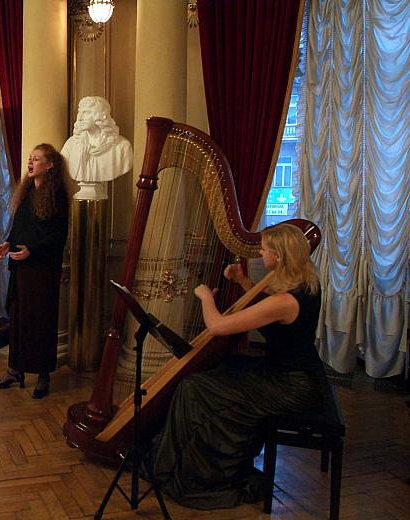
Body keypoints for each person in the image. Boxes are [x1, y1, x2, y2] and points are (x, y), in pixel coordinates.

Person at [148, 223, 326, 509]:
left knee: (194, 386)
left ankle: (198, 472)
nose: (259, 251)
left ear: (279, 256)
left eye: (264, 248)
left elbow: (217, 326)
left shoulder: (285, 299)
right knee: (218, 372)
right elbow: (269, 315)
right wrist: (243, 282)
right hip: (292, 373)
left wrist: (206, 296)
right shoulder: (303, 282)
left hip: (290, 386)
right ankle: (187, 456)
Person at [0, 143, 74, 399]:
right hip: (21, 267)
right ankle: (15, 370)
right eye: (30, 158)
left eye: (36, 159)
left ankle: (43, 375)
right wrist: (7, 243)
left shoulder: (57, 195)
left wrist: (32, 251)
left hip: (42, 269)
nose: (30, 162)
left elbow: (57, 236)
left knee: (41, 321)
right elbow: (20, 228)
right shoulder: (25, 192)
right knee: (18, 319)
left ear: (50, 165)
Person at [60, 96, 132, 198]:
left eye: (86, 112)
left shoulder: (122, 147)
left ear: (100, 115)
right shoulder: (70, 145)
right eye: (79, 112)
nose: (80, 118)